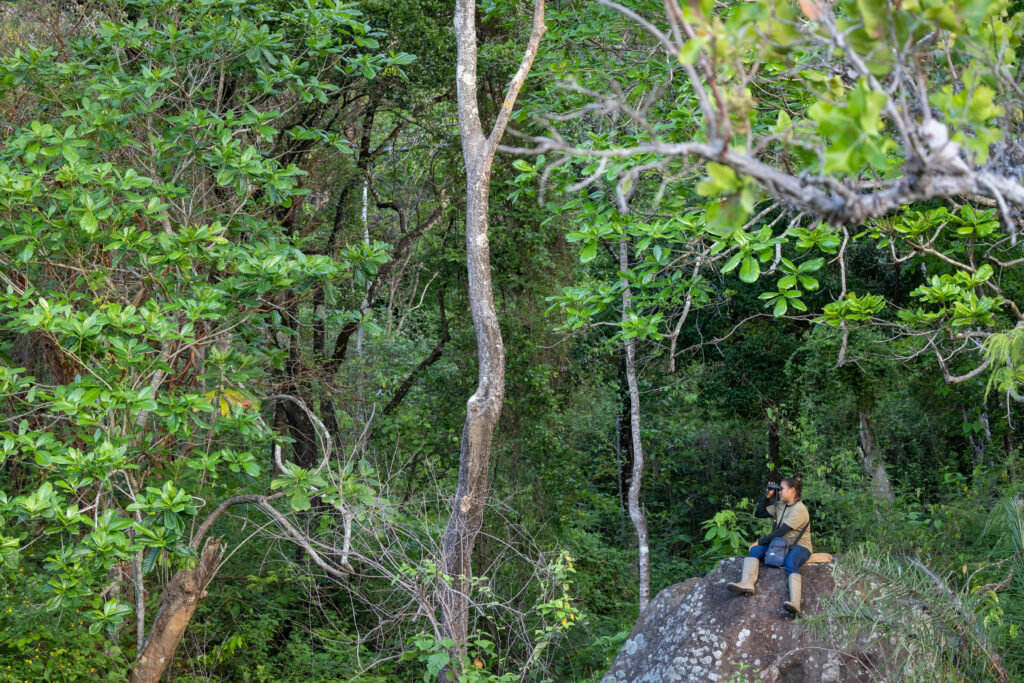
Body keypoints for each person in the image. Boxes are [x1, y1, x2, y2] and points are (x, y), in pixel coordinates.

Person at [726, 477, 812, 614]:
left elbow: (782, 531)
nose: (780, 492)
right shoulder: (781, 505)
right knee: (755, 551)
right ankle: (747, 583)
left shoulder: (800, 510)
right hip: (780, 544)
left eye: (782, 489)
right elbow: (759, 513)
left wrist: (760, 541)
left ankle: (795, 604)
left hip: (799, 546)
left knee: (790, 564)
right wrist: (767, 496)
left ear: (792, 490)